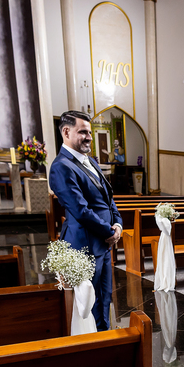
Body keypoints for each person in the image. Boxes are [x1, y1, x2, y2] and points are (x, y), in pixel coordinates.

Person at [49, 110, 122, 332]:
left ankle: (105, 339)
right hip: (84, 245)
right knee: (89, 303)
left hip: (102, 242)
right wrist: (108, 232)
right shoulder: (61, 167)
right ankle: (91, 345)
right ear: (66, 131)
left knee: (105, 299)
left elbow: (108, 199)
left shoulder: (90, 161)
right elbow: (80, 210)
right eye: (83, 132)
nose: (89, 137)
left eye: (89, 132)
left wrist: (117, 224)